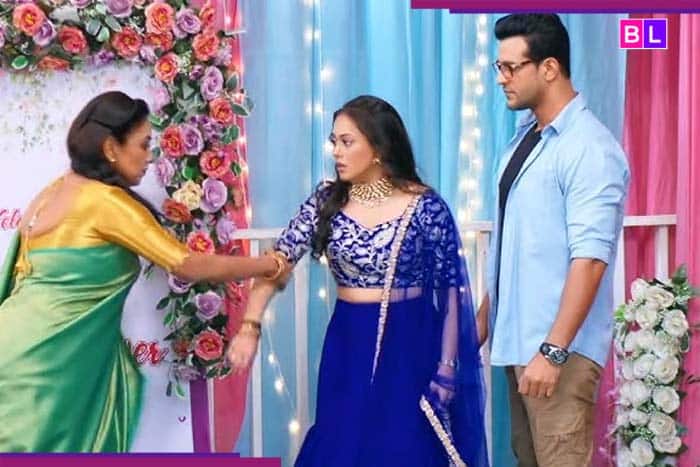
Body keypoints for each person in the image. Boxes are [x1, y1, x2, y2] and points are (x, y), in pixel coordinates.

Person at [0, 91, 287, 452]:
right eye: (143, 144)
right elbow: (188, 265)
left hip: (14, 346)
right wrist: (268, 264)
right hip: (44, 367)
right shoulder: (106, 203)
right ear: (111, 148)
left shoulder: (52, 192)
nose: (150, 156)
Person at [227, 95, 488, 467]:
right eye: (334, 141)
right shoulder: (326, 201)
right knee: (343, 444)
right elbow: (278, 262)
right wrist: (250, 326)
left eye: (347, 142)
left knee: (404, 447)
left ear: (378, 148)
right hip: (349, 340)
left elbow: (450, 293)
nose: (336, 151)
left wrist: (446, 366)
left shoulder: (426, 207)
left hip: (410, 342)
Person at [476, 14, 630, 467]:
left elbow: (591, 260)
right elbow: (514, 251)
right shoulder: (525, 140)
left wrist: (553, 350)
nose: (501, 78)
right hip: (517, 343)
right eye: (499, 67)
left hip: (558, 352)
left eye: (511, 67)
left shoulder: (589, 148)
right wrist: (479, 327)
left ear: (549, 68)